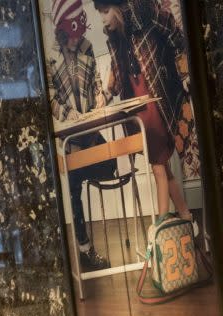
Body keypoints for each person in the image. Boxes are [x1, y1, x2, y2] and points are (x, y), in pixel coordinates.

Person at [94, 0, 195, 225]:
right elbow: (117, 69)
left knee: (158, 165)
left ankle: (160, 225)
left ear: (118, 8)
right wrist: (106, 93)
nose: (102, 17)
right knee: (163, 167)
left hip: (155, 101)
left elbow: (173, 31)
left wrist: (183, 66)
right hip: (136, 106)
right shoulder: (116, 35)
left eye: (104, 11)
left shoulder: (144, 14)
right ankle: (186, 216)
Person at [47, 0, 117, 271]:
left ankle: (94, 238)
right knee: (74, 188)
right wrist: (67, 114)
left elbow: (97, 83)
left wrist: (100, 96)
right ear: (62, 32)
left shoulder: (87, 46)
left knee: (111, 164)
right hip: (70, 137)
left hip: (91, 131)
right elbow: (51, 99)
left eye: (79, 33)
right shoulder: (51, 58)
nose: (77, 39)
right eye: (72, 34)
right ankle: (86, 249)